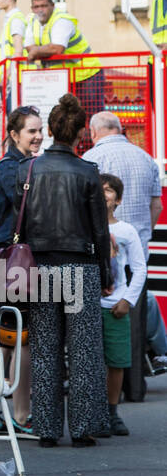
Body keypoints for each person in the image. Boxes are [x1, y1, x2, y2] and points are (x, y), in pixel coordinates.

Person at [13, 94, 112, 447]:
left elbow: (19, 222)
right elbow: (100, 230)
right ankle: (83, 427)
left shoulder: (29, 169)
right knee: (84, 351)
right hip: (80, 267)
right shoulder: (88, 172)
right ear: (80, 133)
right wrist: (106, 274)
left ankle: (47, 427)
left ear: (52, 130)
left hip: (40, 267)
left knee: (44, 349)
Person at [0, 106, 43, 436]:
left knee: (3, 336)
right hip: (14, 262)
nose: (38, 136)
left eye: (40, 130)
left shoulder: (3, 167)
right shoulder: (16, 170)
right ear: (14, 135)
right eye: (31, 130)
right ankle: (20, 412)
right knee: (21, 337)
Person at [82, 110, 167, 375]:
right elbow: (156, 205)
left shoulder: (90, 159)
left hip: (103, 255)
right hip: (137, 248)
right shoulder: (146, 158)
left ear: (94, 132)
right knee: (138, 308)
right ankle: (145, 367)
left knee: (104, 315)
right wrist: (140, 235)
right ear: (120, 129)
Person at [98, 174, 147, 438]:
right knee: (92, 361)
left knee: (116, 361)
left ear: (118, 199)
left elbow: (139, 268)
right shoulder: (85, 229)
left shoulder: (127, 231)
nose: (104, 194)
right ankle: (94, 410)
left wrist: (127, 299)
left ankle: (112, 410)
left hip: (115, 304)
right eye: (100, 190)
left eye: (109, 191)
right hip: (90, 305)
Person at [24, 0, 103, 120]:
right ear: (32, 8)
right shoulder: (32, 21)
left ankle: (95, 141)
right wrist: (39, 50)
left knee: (92, 117)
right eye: (36, 7)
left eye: (44, 6)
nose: (40, 10)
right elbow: (29, 48)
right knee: (68, 119)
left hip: (87, 74)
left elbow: (57, 48)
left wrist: (37, 51)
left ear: (52, 6)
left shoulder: (62, 20)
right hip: (64, 78)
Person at [0, 0, 27, 108]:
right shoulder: (10, 19)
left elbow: (17, 51)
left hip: (14, 79)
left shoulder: (16, 19)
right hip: (12, 79)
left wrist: (7, 75)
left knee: (15, 117)